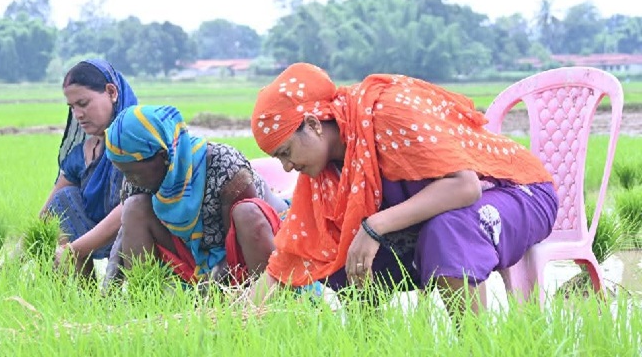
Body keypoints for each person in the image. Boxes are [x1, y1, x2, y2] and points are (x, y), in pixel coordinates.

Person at [247, 62, 559, 318]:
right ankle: (372, 344)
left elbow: (465, 186)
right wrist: (241, 313)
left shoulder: (385, 113)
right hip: (450, 211)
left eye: (286, 153)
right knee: (332, 246)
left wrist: (374, 227)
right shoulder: (326, 170)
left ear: (314, 125)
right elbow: (293, 253)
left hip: (516, 192)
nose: (286, 167)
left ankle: (473, 345)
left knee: (448, 228)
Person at [104, 104, 290, 285]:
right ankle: (147, 300)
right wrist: (108, 295)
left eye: (133, 173)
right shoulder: (138, 182)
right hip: (195, 256)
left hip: (251, 250)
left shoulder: (224, 167)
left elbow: (239, 244)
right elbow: (125, 233)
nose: (130, 180)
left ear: (163, 155)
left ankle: (262, 299)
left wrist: (205, 291)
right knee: (133, 206)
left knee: (246, 212)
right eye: (124, 172)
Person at [39, 59, 138, 277]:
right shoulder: (82, 154)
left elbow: (131, 207)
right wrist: (14, 262)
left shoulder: (138, 142)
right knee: (63, 199)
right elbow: (46, 213)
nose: (78, 114)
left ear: (111, 92)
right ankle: (84, 298)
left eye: (83, 103)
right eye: (72, 107)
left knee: (138, 207)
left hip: (141, 234)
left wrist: (72, 250)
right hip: (95, 234)